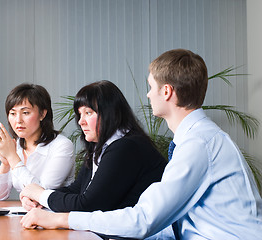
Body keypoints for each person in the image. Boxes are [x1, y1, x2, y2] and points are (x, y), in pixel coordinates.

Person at [20, 49, 262, 239]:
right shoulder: (198, 138)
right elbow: (173, 220)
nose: (148, 95)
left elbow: (144, 219)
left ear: (166, 91)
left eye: (151, 87)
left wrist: (61, 219)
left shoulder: (198, 144)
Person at [19, 80, 166, 213]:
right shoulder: (101, 146)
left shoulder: (127, 147)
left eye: (88, 113)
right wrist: (37, 199)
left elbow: (89, 204)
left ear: (110, 113)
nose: (81, 121)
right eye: (80, 114)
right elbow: (77, 189)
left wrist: (39, 194)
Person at [0, 83, 75, 201]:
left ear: (42, 114)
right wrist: (5, 164)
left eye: (25, 113)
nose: (18, 120)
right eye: (13, 113)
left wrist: (12, 157)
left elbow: (42, 192)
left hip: (54, 215)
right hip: (24, 215)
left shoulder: (62, 146)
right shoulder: (17, 146)